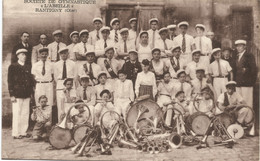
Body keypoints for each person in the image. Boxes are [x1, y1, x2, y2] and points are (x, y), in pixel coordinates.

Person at [8, 49, 35, 139]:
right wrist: (11, 94)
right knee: (17, 113)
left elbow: (30, 81)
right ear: (18, 56)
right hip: (17, 93)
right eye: (22, 54)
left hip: (26, 93)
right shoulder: (13, 66)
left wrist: (31, 93)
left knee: (25, 113)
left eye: (25, 55)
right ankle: (16, 133)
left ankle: (23, 131)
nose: (24, 56)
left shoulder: (28, 66)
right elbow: (10, 81)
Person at [234, 40, 257, 136]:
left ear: (244, 46)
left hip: (247, 84)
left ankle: (251, 127)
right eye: (237, 46)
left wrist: (251, 81)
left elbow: (254, 70)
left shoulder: (249, 56)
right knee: (240, 104)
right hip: (239, 84)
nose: (239, 48)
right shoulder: (237, 56)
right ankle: (241, 125)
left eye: (240, 46)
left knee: (248, 105)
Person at [53, 47, 76, 122]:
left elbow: (75, 76)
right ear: (59, 54)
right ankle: (61, 123)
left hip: (70, 85)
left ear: (68, 53)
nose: (63, 54)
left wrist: (71, 85)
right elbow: (56, 77)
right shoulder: (56, 64)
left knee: (70, 104)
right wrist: (62, 83)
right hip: (60, 84)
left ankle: (71, 122)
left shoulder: (73, 63)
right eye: (62, 53)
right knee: (61, 105)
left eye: (65, 53)